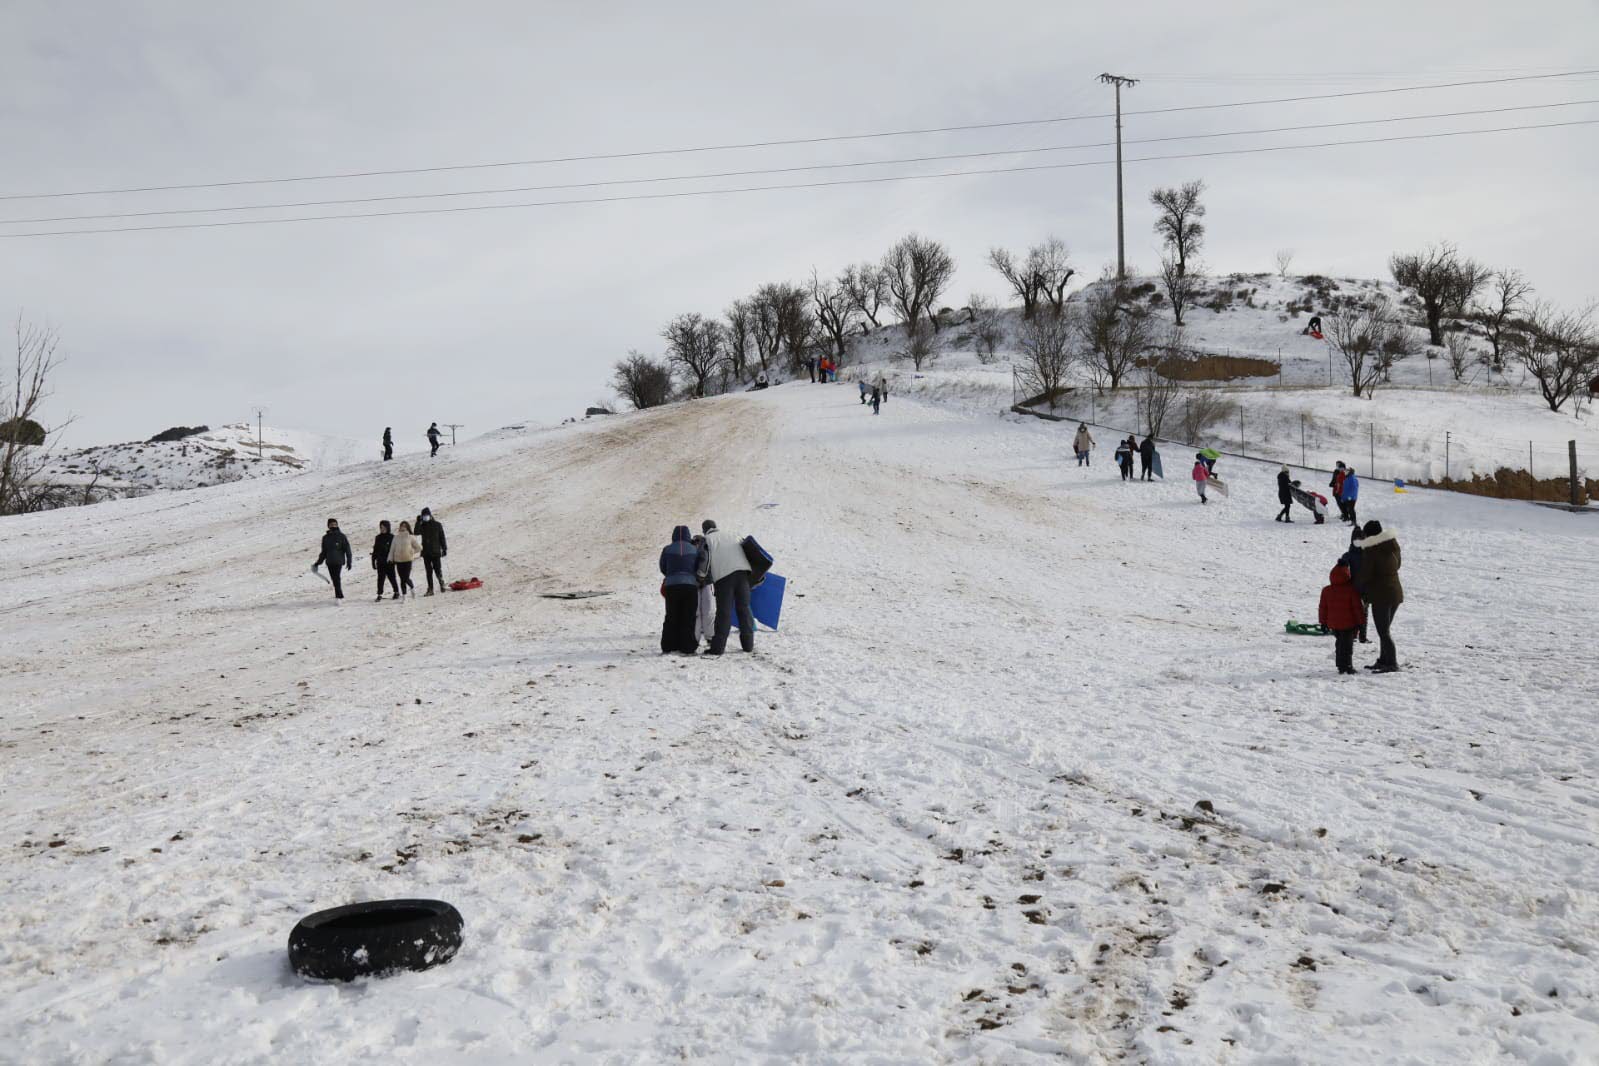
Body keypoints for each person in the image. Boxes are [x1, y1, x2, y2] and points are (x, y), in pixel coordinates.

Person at [1354, 520, 1402, 672]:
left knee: (1383, 632)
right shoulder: (1393, 545)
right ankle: (1384, 660)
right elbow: (1398, 565)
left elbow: (1366, 574)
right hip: (1395, 592)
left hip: (1381, 594)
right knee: (1385, 630)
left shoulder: (1372, 549)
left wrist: (1355, 584)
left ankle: (1392, 663)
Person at [701, 519, 755, 655]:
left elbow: (704, 561)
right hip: (743, 574)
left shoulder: (707, 539)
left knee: (724, 612)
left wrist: (702, 577)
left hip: (724, 577)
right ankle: (748, 645)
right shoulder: (733, 534)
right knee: (744, 608)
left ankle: (718, 648)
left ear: (704, 530)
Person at [658, 526, 702, 654]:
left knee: (671, 615)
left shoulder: (667, 549)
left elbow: (663, 567)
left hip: (672, 586)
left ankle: (668, 645)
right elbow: (699, 566)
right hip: (690, 586)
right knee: (689, 616)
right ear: (688, 536)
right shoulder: (694, 549)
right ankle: (687, 646)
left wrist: (672, 574)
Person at [1318, 563, 1366, 675]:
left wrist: (1323, 623)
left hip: (1334, 624)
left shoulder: (1326, 590)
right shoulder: (1351, 590)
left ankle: (1340, 665)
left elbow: (1323, 608)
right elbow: (1357, 609)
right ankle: (1347, 667)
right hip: (1349, 624)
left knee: (1339, 643)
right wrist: (1361, 623)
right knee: (1347, 647)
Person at [314, 518, 353, 601]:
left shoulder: (342, 536)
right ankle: (338, 596)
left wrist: (349, 561)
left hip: (338, 561)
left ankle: (339, 597)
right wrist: (318, 562)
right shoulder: (325, 538)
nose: (333, 526)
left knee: (336, 578)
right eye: (331, 524)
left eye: (335, 524)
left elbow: (347, 549)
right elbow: (324, 552)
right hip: (329, 562)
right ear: (328, 526)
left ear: (337, 525)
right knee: (334, 579)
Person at [414, 507, 448, 595]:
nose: (425, 517)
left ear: (430, 515)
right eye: (424, 516)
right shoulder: (422, 526)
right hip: (426, 552)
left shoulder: (437, 525)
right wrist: (418, 521)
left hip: (436, 551)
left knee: (437, 569)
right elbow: (416, 532)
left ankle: (442, 583)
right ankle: (430, 589)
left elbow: (442, 538)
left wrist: (444, 548)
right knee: (428, 572)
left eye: (427, 515)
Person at [692, 530, 715, 644]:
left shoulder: (691, 550)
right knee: (708, 611)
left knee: (697, 612)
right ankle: (709, 636)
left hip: (697, 583)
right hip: (706, 582)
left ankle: (696, 638)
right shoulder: (708, 549)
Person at [388, 520, 421, 598]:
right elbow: (392, 549)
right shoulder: (396, 537)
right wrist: (390, 558)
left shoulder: (411, 537)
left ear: (407, 527)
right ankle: (404, 595)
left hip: (407, 560)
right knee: (401, 578)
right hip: (398, 561)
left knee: (405, 577)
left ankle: (412, 588)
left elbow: (419, 548)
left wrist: (412, 552)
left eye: (404, 526)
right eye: (401, 526)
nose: (402, 527)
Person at [372, 520, 400, 601]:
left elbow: (395, 550)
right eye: (381, 527)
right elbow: (375, 550)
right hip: (380, 562)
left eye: (384, 527)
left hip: (389, 562)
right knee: (380, 579)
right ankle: (379, 594)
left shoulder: (392, 537)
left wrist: (395, 560)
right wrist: (373, 561)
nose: (382, 529)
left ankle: (396, 592)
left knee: (392, 578)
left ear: (388, 527)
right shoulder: (378, 538)